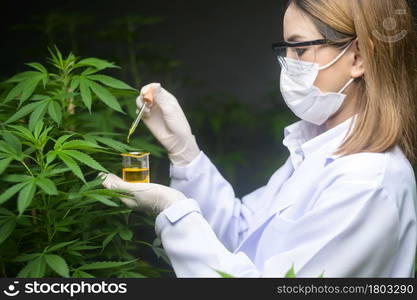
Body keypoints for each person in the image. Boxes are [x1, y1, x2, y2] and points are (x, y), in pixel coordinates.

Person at [99, 0, 417, 277]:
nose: (288, 64)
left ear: (358, 57)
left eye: (301, 49)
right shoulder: (317, 150)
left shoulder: (367, 184)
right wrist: (185, 152)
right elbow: (244, 237)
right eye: (286, 49)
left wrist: (173, 208)